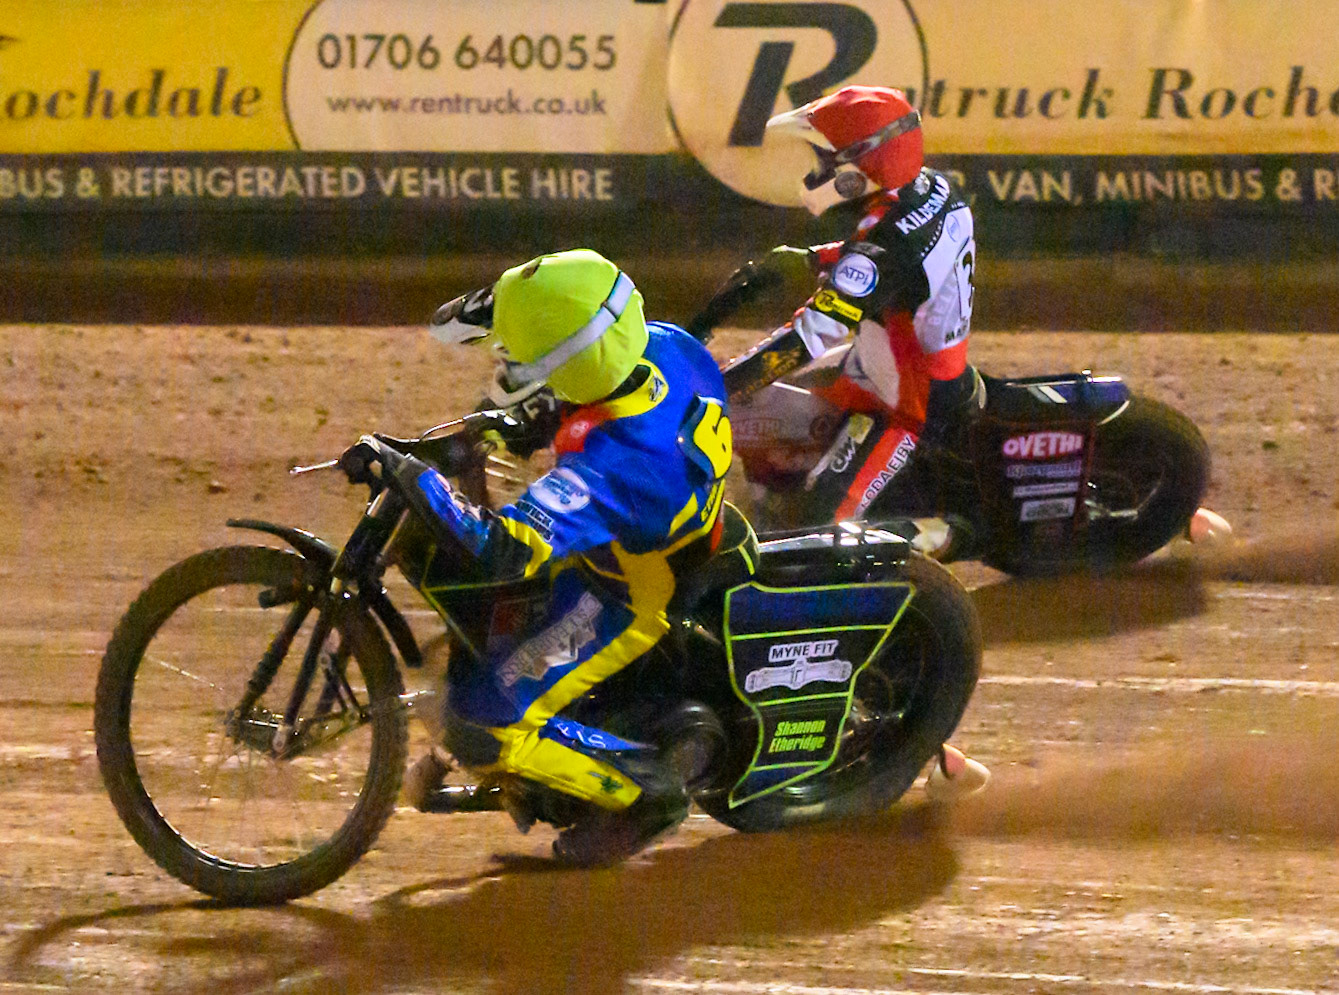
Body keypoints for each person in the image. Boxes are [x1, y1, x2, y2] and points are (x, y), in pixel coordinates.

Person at [348, 248, 733, 865]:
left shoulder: (617, 466)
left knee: (481, 723)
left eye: (520, 359)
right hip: (660, 528)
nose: (506, 364)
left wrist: (414, 478)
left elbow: (503, 552)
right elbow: (571, 323)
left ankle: (646, 795)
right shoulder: (663, 347)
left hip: (624, 593)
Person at [691, 84, 990, 800]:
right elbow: (877, 260)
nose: (819, 169)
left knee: (823, 551)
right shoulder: (929, 194)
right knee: (756, 447)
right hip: (876, 373)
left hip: (901, 409)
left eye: (827, 157)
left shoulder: (880, 242)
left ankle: (925, 742)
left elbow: (809, 336)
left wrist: (714, 382)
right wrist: (808, 256)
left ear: (863, 162)